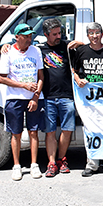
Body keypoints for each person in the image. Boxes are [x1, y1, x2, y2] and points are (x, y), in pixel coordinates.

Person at [71, 22, 103, 177]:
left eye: (97, 33)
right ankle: (91, 164)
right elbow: (75, 70)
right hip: (88, 101)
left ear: (102, 34)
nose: (94, 36)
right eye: (91, 33)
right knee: (90, 132)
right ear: (87, 35)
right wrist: (78, 80)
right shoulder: (81, 51)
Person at [0, 23, 44, 181]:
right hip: (14, 98)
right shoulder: (8, 52)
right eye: (25, 36)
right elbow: (2, 78)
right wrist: (23, 85)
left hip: (33, 98)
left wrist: (36, 97)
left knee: (33, 132)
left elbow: (41, 77)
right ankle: (17, 166)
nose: (29, 39)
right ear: (17, 37)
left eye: (30, 36)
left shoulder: (36, 51)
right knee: (15, 133)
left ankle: (34, 165)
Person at [38, 19, 77, 178]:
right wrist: (6, 47)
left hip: (67, 96)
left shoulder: (66, 47)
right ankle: (52, 163)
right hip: (48, 97)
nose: (58, 36)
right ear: (46, 34)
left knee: (67, 130)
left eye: (59, 33)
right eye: (54, 34)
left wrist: (79, 42)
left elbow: (84, 47)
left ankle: (62, 160)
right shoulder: (39, 50)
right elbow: (19, 48)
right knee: (50, 132)